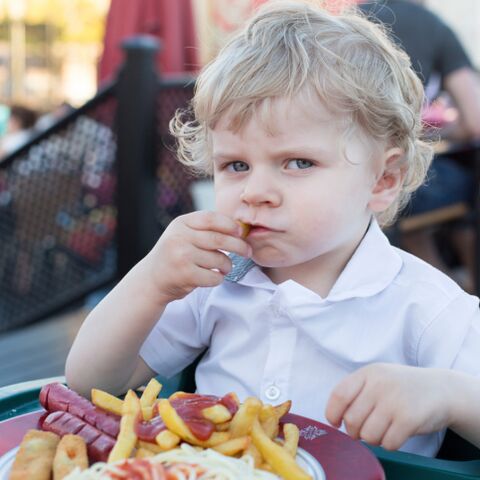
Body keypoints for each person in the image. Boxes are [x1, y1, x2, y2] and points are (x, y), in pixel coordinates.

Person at [66, 0, 480, 457]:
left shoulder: (427, 308)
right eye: (236, 165)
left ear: (382, 179)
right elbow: (92, 384)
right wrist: (151, 282)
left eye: (298, 162)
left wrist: (449, 396)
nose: (255, 191)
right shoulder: (213, 282)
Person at [359, 0, 480, 292]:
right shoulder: (432, 25)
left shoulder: (348, 24)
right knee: (463, 187)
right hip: (406, 183)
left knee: (415, 225)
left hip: (354, 181)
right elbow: (475, 121)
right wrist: (441, 129)